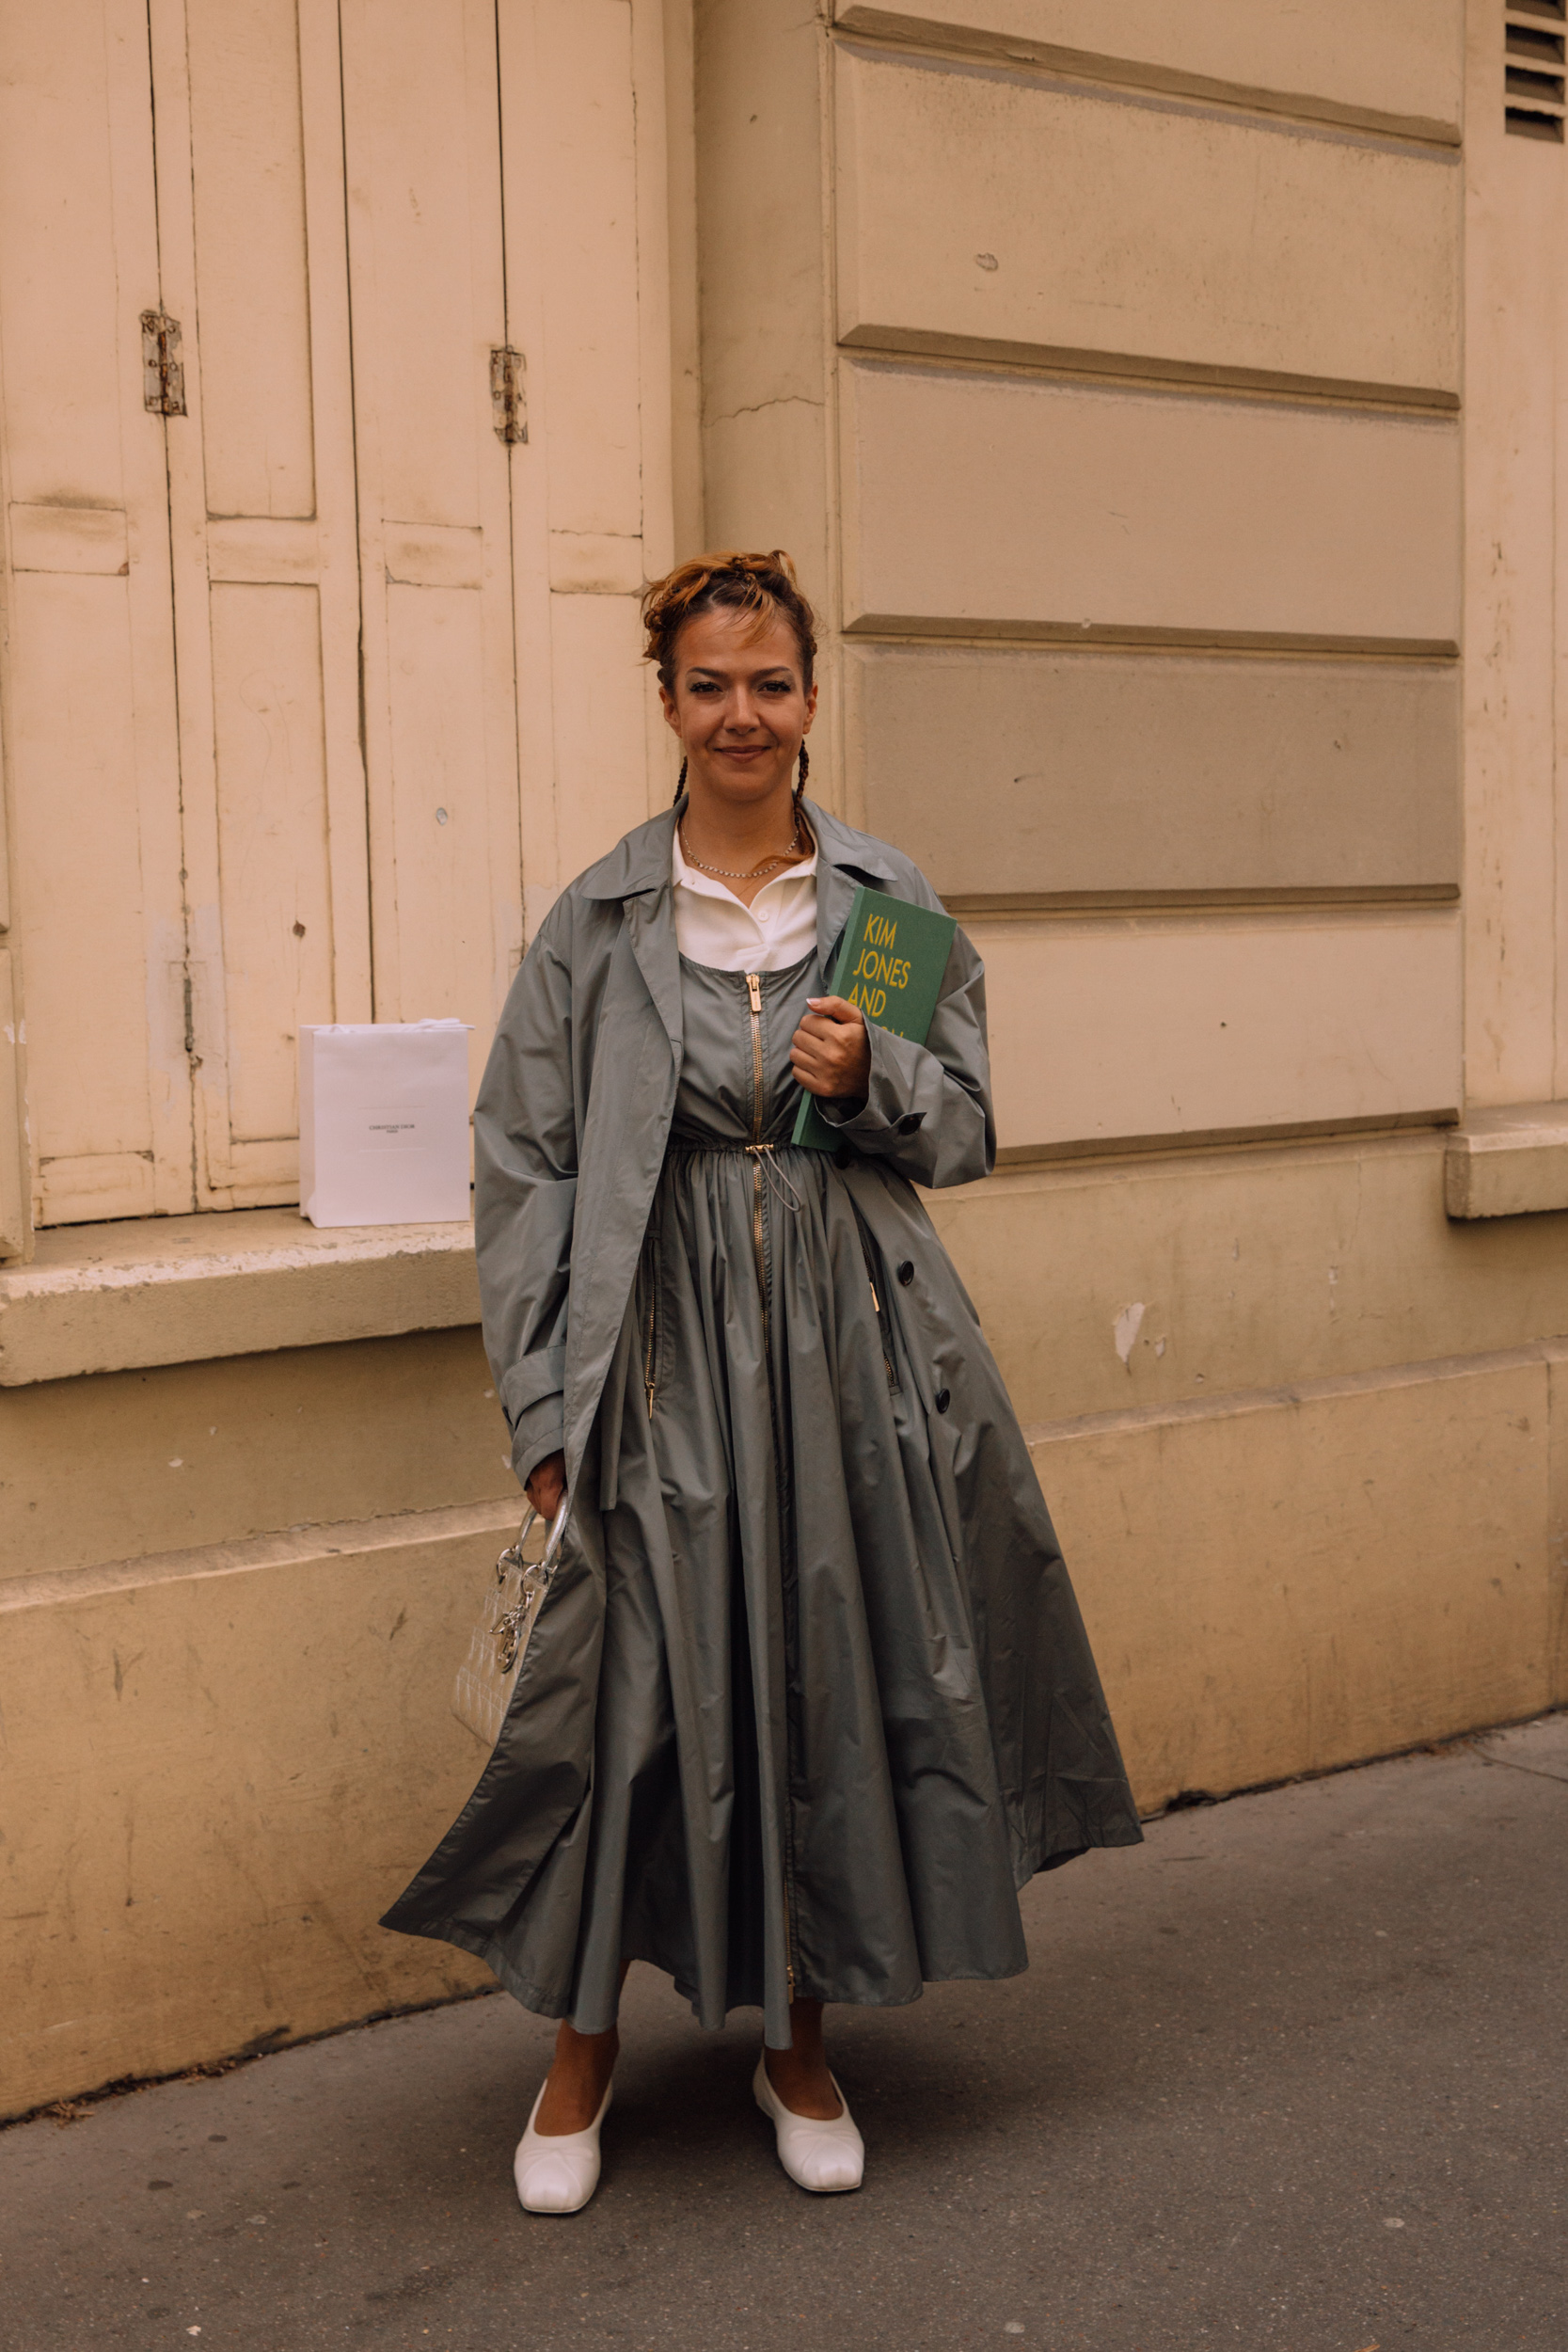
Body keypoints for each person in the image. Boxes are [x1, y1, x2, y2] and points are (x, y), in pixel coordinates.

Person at [383, 550, 1143, 2213]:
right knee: (618, 1702)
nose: (744, 713)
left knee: (821, 1680)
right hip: (649, 1359)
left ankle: (801, 2040)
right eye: (710, 684)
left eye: (771, 683)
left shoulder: (882, 901)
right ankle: (576, 2054)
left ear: (810, 699)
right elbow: (523, 1168)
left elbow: (970, 1126)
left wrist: (875, 1074)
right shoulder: (597, 919)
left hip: (855, 1353)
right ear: (668, 702)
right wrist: (538, 1411)